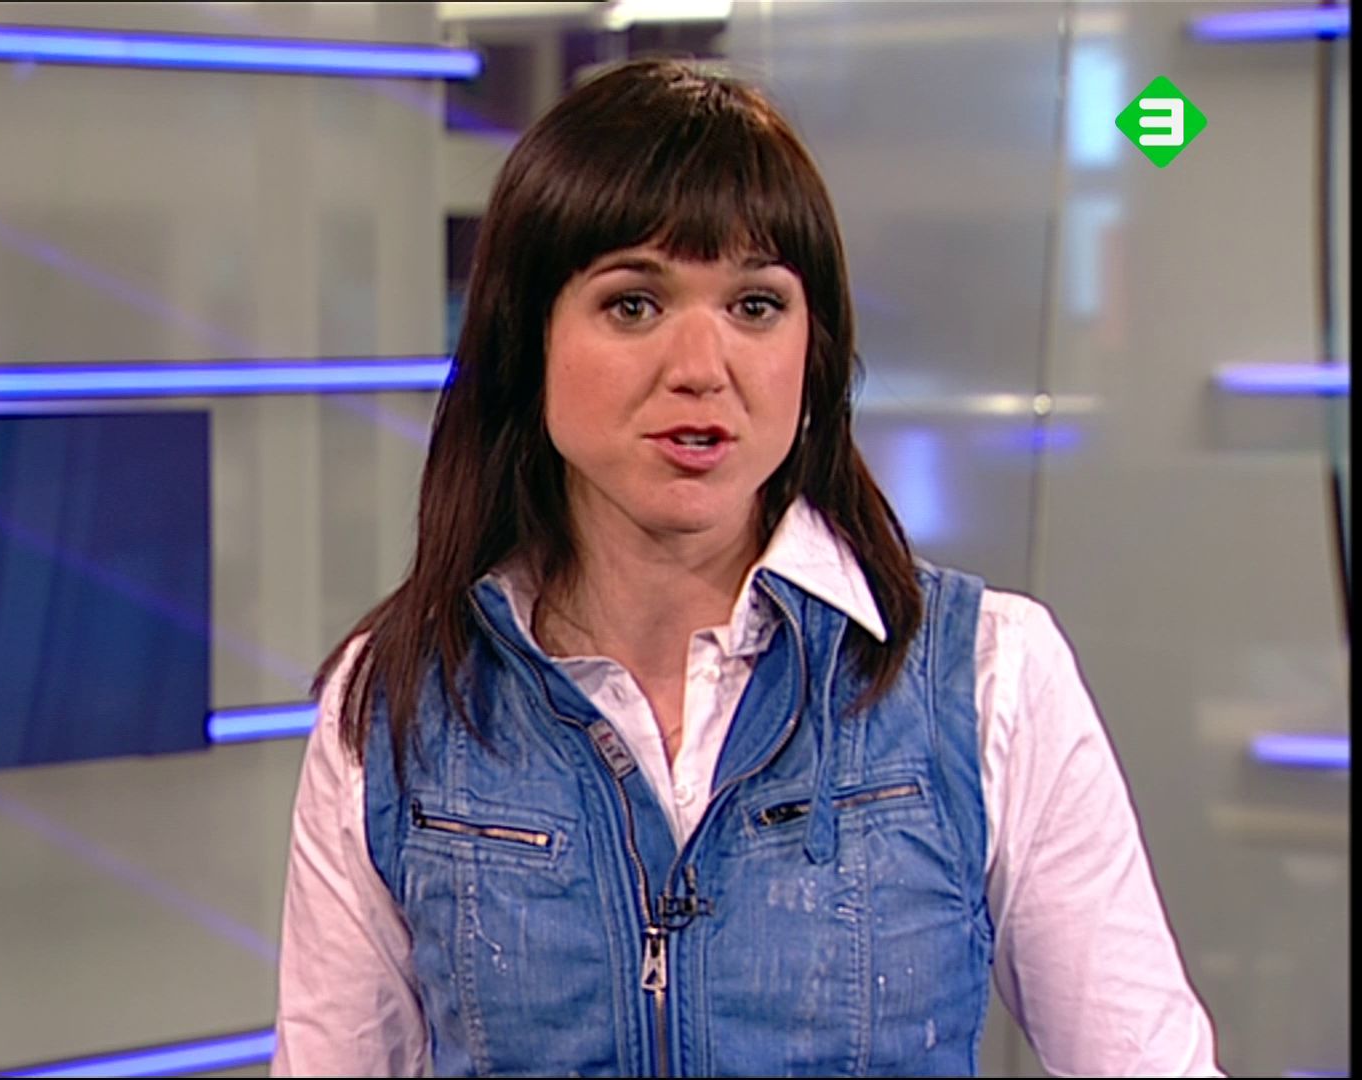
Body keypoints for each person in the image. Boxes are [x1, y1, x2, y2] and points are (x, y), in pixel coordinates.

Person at [270, 58, 1220, 1078]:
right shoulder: (397, 703)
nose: (701, 367)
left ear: (815, 350)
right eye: (634, 304)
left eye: (756, 306)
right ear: (526, 339)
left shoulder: (989, 672)